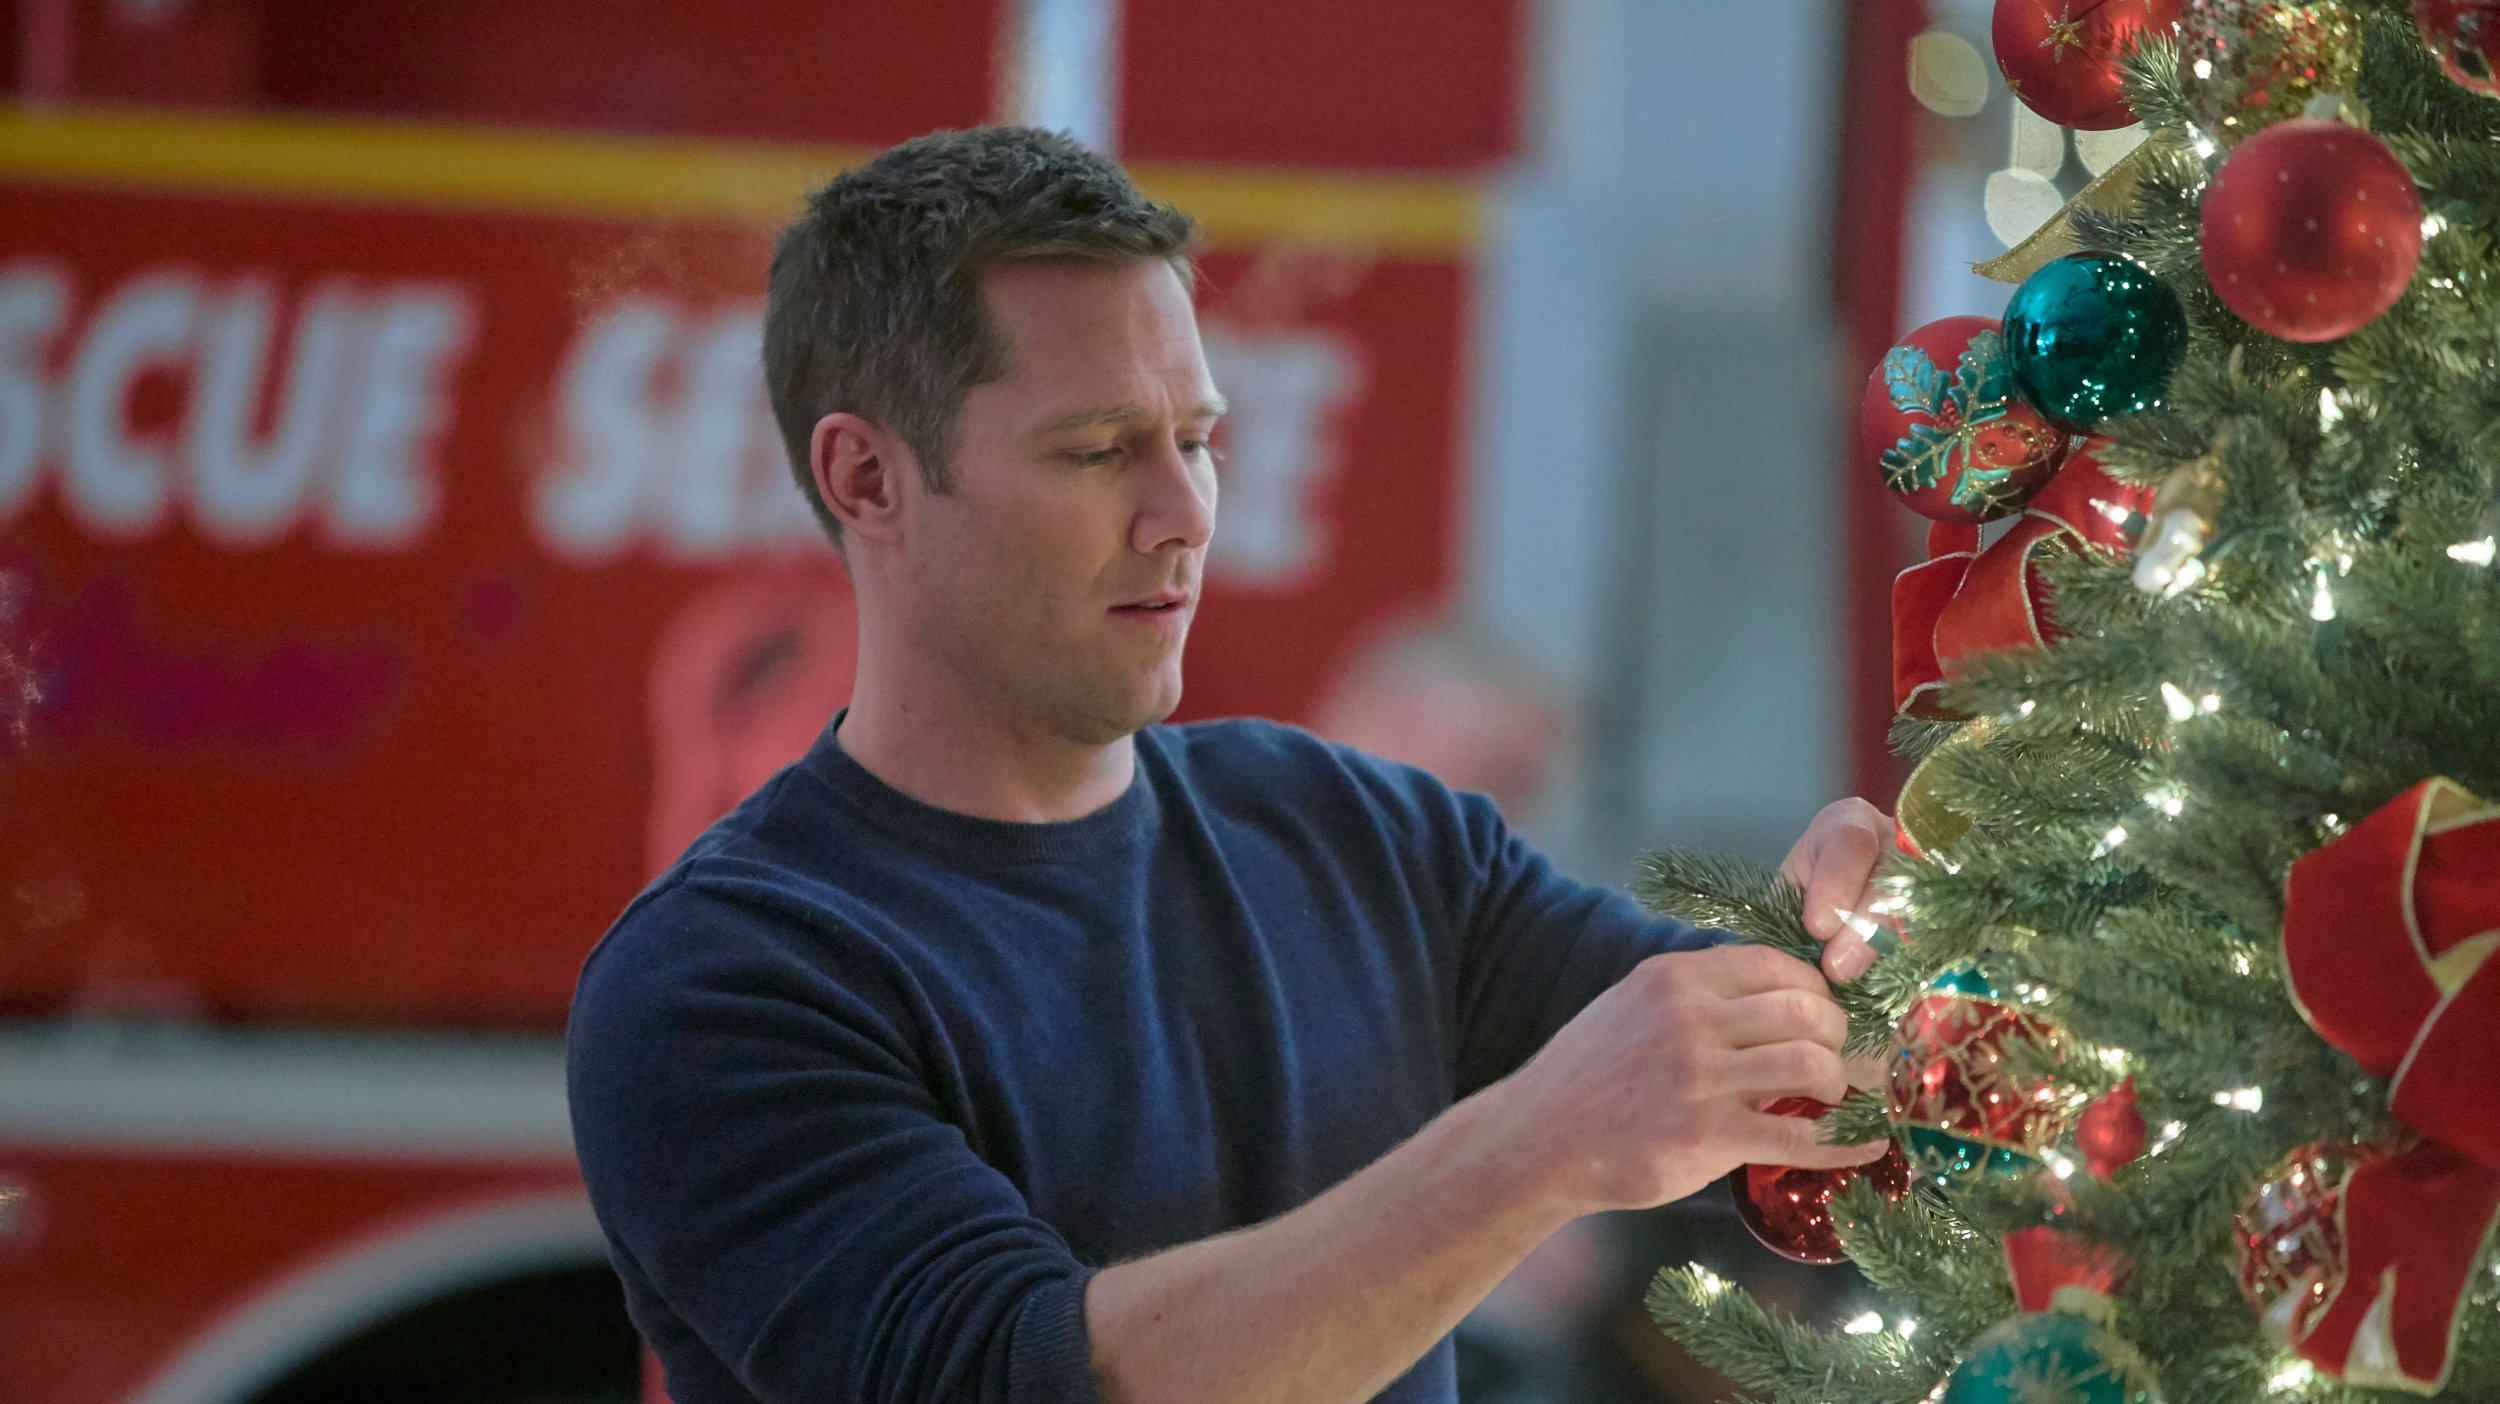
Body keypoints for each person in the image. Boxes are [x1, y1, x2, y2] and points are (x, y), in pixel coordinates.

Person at [565, 126, 1895, 1404]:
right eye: (1097, 451)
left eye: (1196, 440)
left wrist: (1899, 950)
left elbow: (1790, 1078)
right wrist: (1541, 1143)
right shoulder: (723, 981)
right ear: (867, 477)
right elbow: (1034, 1382)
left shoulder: (1358, 834)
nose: (1186, 514)